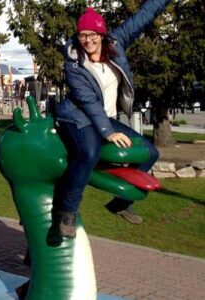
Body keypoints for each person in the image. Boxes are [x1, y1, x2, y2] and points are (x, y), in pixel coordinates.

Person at [55, 0, 169, 238]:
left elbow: (144, 16)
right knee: (89, 151)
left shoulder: (116, 43)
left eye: (92, 34)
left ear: (102, 34)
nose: (87, 40)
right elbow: (88, 102)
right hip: (77, 117)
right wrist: (108, 132)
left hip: (106, 117)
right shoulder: (74, 64)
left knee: (150, 152)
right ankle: (67, 211)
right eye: (83, 35)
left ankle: (121, 202)